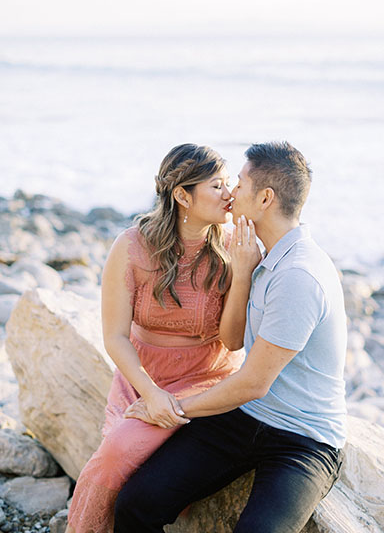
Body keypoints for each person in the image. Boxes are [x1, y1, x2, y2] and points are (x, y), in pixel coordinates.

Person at [114, 141, 346, 533]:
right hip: (246, 419)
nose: (231, 192)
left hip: (303, 439)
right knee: (137, 503)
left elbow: (254, 383)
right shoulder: (262, 257)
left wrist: (171, 408)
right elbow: (235, 343)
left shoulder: (298, 276)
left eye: (239, 183)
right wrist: (242, 272)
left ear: (266, 198)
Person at [67, 144, 261, 533]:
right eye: (217, 185)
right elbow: (115, 336)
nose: (230, 194)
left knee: (124, 453)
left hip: (205, 377)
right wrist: (152, 394)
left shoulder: (230, 246)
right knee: (116, 456)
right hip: (141, 378)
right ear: (182, 195)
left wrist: (242, 274)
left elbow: (234, 341)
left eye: (229, 184)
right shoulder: (132, 245)